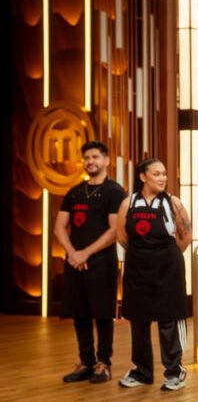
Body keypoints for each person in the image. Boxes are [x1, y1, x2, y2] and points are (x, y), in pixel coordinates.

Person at [115, 158, 192, 391]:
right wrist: (144, 255)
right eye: (156, 174)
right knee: (138, 320)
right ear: (143, 177)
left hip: (168, 270)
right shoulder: (128, 203)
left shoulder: (173, 203)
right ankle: (142, 371)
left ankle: (174, 372)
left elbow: (186, 236)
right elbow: (122, 236)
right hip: (137, 270)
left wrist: (166, 256)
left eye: (164, 174)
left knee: (169, 320)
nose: (162, 178)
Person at [54, 141, 127, 384]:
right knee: (79, 311)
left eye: (95, 157)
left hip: (101, 262)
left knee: (102, 313)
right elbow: (59, 227)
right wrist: (73, 253)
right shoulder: (75, 192)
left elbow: (114, 231)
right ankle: (85, 361)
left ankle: (103, 363)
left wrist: (85, 253)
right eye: (86, 157)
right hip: (75, 261)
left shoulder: (115, 192)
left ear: (106, 160)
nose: (90, 161)